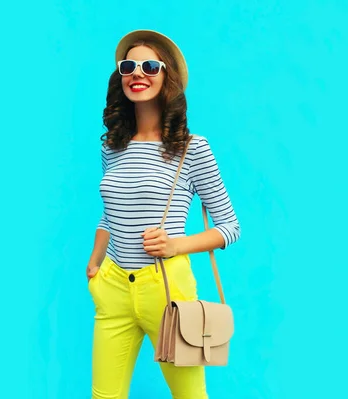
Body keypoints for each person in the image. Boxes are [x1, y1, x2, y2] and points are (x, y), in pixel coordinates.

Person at [85, 29, 241, 399]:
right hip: (112, 287)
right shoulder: (113, 146)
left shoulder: (192, 149)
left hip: (167, 290)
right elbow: (110, 215)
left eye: (149, 66)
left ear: (166, 77)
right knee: (104, 396)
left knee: (189, 396)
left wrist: (177, 245)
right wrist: (95, 264)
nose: (138, 73)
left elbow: (230, 227)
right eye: (129, 66)